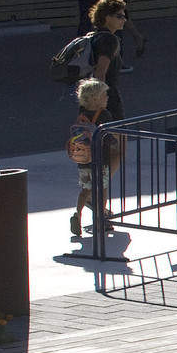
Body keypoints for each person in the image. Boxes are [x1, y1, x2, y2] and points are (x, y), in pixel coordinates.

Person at [64, 77, 116, 243]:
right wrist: (114, 143)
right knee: (102, 189)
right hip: (100, 161)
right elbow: (107, 137)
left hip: (83, 161)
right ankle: (101, 220)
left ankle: (77, 214)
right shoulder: (104, 115)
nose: (107, 97)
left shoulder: (82, 115)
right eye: (104, 95)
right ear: (96, 98)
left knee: (85, 189)